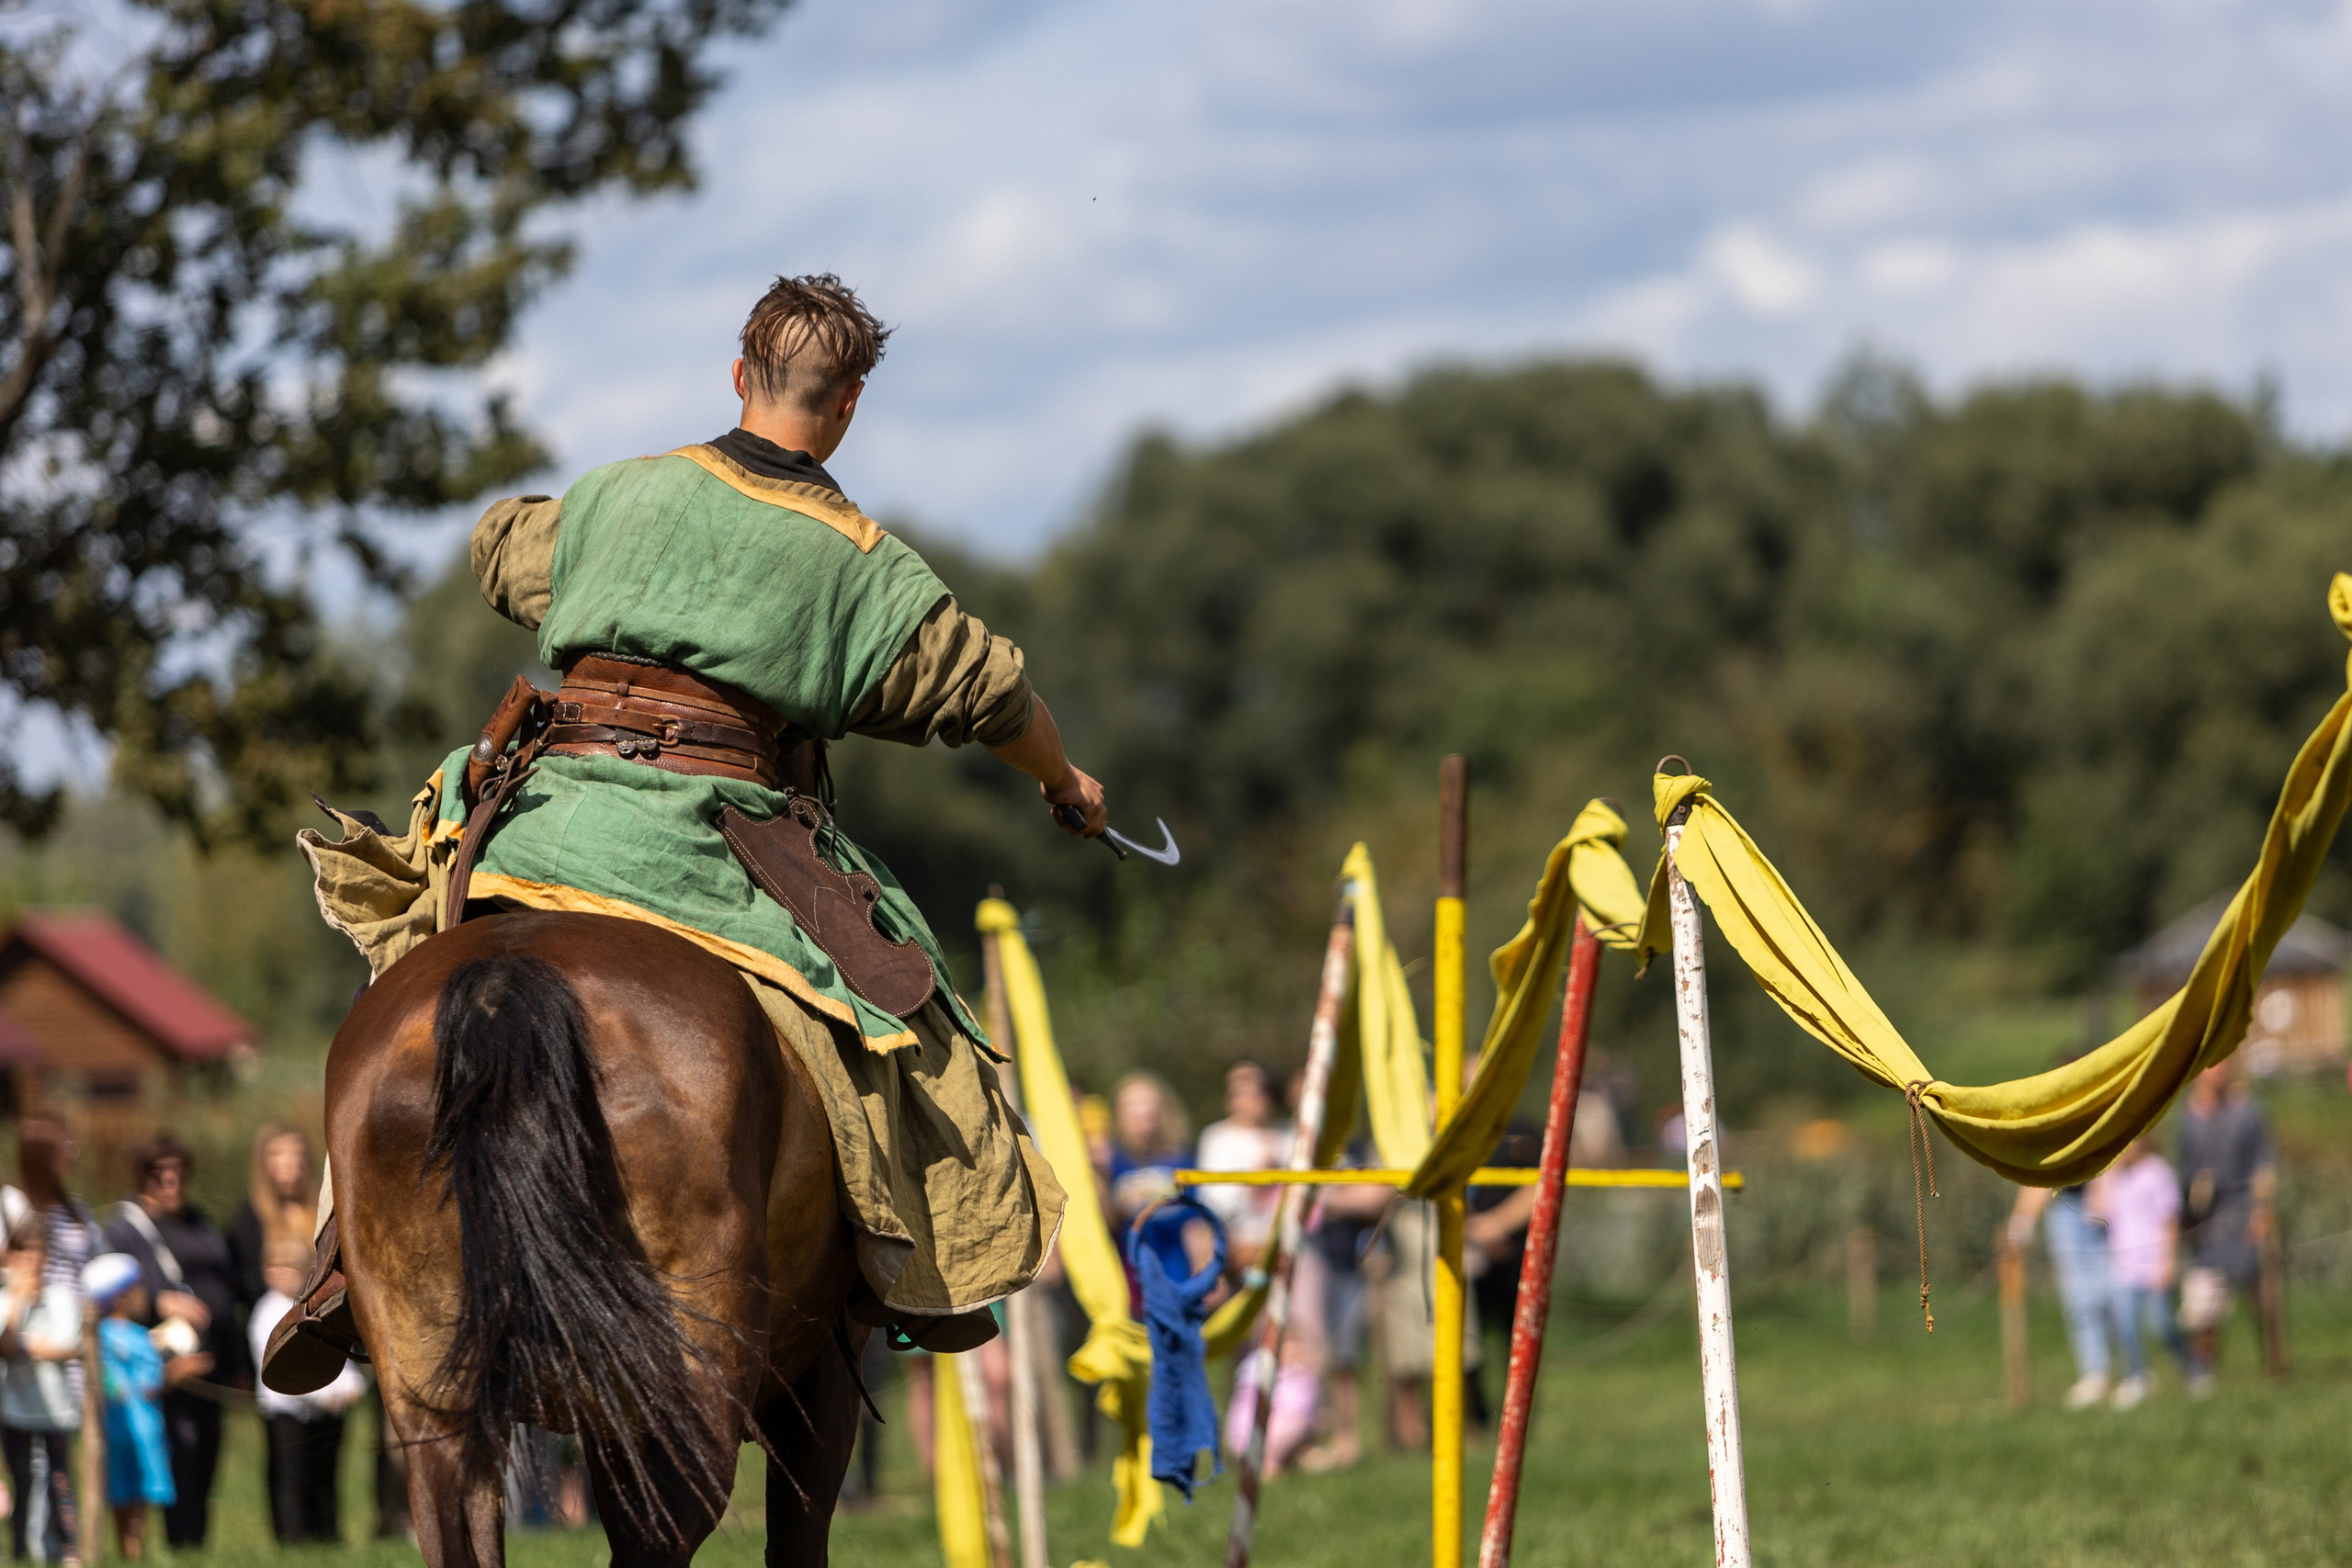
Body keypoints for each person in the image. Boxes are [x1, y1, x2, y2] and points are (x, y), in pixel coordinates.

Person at [285, 273, 1100, 1382]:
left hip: (544, 819)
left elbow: (499, 546)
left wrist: (619, 581)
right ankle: (905, 1274)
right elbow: (992, 694)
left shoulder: (622, 493)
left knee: (414, 957)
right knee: (901, 1026)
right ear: (850, 402)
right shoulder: (864, 566)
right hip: (721, 845)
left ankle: (340, 1260)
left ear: (738, 376)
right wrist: (1066, 782)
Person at [100, 1136, 231, 1550]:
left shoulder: (199, 1222)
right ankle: (178, 1544)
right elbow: (111, 1292)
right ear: (143, 1176)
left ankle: (196, 1543)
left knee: (207, 1455)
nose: (170, 1181)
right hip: (159, 1367)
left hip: (209, 1362)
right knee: (178, 1455)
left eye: (178, 1172)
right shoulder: (125, 1228)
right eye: (159, 1173)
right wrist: (160, 1300)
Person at [248, 1245, 367, 1544]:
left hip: (326, 1414)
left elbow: (339, 1355)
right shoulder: (267, 1311)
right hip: (287, 1412)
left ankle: (327, 1534)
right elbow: (279, 1368)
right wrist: (323, 1397)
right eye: (275, 1267)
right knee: (291, 1477)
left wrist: (350, 1389)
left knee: (325, 1476)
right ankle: (292, 1538)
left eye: (290, 1268)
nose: (282, 1275)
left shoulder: (317, 1307)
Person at [2177, 1057, 2277, 1395]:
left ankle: (2275, 1364)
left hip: (2243, 1212)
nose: (2216, 1071)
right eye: (2209, 1065)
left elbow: (2262, 1163)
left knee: (2262, 1297)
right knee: (2202, 1304)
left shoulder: (2247, 1111)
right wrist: (2189, 1207)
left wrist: (2262, 1210)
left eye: (2221, 1064)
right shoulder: (2189, 1116)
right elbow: (2184, 1170)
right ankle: (2204, 1374)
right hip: (2207, 1222)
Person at [82, 1255, 174, 1562]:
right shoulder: (138, 1337)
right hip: (140, 1427)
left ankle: (127, 1552)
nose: (145, 1295)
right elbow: (151, 1384)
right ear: (121, 1297)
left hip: (110, 1428)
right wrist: (178, 1371)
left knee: (120, 1492)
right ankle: (133, 1553)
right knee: (137, 1495)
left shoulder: (97, 1334)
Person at [0, 1215, 81, 1563]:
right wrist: (18, 1301)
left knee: (60, 1482)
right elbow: (6, 1347)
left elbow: (69, 1347)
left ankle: (68, 1551)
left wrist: (30, 1347)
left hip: (56, 1411)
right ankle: (21, 1553)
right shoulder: (5, 1300)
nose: (31, 1260)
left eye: (37, 1251)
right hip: (15, 1410)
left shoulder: (62, 1298)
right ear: (11, 1256)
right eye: (23, 1252)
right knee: (23, 1482)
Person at [2086, 1137, 2187, 1408]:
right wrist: (2102, 1177)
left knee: (2162, 1325)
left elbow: (2169, 1218)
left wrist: (2168, 1261)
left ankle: (2190, 1369)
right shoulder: (2115, 1177)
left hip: (2155, 1263)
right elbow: (2096, 1212)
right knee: (2126, 1326)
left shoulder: (2157, 1171)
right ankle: (2137, 1376)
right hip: (2124, 1266)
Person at [2006, 1182, 2116, 1409]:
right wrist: (2022, 1219)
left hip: (2112, 1197)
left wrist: (2103, 1188)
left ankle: (2134, 1372)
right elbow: (2042, 1172)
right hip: (2066, 1206)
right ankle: (2097, 1373)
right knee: (2080, 1296)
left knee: (2114, 1293)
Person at [1193, 1062, 1290, 1270]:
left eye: (1255, 1089)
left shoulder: (1290, 1136)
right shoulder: (1217, 1138)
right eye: (1238, 1091)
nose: (1248, 1098)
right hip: (1232, 1243)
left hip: (1287, 1242)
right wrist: (1256, 1179)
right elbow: (1215, 1202)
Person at [1105, 1073, 1193, 1230]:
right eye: (1131, 1105)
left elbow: (1196, 1216)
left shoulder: (1182, 1159)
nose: (1142, 1111)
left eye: (1148, 1102)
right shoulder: (1110, 1162)